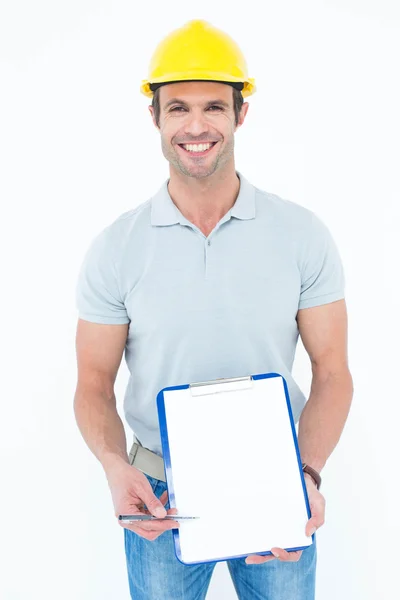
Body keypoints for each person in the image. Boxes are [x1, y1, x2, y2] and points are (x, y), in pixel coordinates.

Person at [74, 18, 353, 600]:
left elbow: (333, 372)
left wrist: (305, 477)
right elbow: (93, 383)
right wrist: (114, 467)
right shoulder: (116, 248)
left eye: (213, 108)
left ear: (240, 114)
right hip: (159, 492)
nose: (196, 126)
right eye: (177, 108)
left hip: (278, 483)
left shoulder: (301, 235)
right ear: (154, 116)